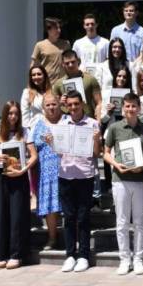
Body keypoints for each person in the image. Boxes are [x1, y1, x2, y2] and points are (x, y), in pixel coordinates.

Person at [103, 92, 143, 276]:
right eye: (127, 106)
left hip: (141, 180)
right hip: (120, 179)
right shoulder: (114, 128)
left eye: (134, 106)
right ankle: (124, 259)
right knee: (122, 222)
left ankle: (138, 259)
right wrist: (116, 165)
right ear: (122, 108)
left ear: (139, 108)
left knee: (140, 222)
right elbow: (106, 153)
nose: (130, 109)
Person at [57, 91, 102, 273]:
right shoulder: (61, 124)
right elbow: (58, 152)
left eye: (76, 104)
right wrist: (52, 142)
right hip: (65, 175)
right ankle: (70, 255)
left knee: (83, 217)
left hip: (85, 176)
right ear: (66, 106)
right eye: (70, 104)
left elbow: (96, 153)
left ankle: (83, 255)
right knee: (68, 218)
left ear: (82, 104)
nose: (73, 107)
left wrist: (96, 140)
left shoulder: (93, 124)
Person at [0, 101, 37, 269]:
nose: (13, 116)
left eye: (16, 113)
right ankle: (1, 254)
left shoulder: (25, 132)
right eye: (10, 113)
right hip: (1, 176)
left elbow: (33, 155)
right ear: (5, 114)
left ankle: (17, 255)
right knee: (1, 214)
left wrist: (24, 169)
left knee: (17, 215)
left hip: (19, 175)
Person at [31, 93, 63, 251]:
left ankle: (74, 237)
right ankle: (52, 238)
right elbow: (32, 147)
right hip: (47, 173)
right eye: (48, 105)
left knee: (70, 206)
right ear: (43, 107)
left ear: (59, 104)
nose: (51, 107)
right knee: (50, 207)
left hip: (67, 170)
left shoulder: (67, 121)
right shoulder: (38, 124)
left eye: (54, 104)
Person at [51, 50, 103, 120]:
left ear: (78, 61)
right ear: (63, 64)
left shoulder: (90, 79)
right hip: (66, 121)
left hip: (87, 120)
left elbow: (99, 102)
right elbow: (53, 105)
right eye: (67, 63)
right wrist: (60, 102)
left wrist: (98, 120)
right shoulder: (58, 83)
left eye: (73, 62)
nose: (70, 65)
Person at [31, 17, 71, 85]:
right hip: (46, 83)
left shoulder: (66, 44)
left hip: (63, 83)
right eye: (56, 28)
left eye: (59, 28)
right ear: (48, 30)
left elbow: (70, 63)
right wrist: (31, 84)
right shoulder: (40, 45)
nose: (59, 30)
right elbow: (33, 65)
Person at [20, 65, 51, 130]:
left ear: (44, 76)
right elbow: (24, 113)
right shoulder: (27, 92)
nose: (36, 77)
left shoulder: (51, 92)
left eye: (39, 74)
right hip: (35, 128)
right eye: (33, 75)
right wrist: (26, 130)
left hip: (51, 127)